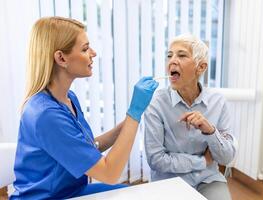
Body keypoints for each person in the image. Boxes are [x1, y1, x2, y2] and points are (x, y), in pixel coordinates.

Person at [10, 17, 158, 199]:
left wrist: (133, 115)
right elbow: (109, 173)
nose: (93, 53)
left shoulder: (67, 98)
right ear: (61, 58)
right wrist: (134, 113)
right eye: (85, 48)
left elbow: (87, 147)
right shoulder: (45, 114)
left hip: (69, 191)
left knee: (133, 194)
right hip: (47, 197)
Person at [144, 34, 236, 200]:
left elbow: (226, 157)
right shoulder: (156, 103)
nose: (172, 60)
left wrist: (210, 131)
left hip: (207, 179)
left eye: (181, 55)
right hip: (168, 181)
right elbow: (156, 159)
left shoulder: (218, 102)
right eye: (169, 55)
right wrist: (203, 162)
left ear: (200, 67)